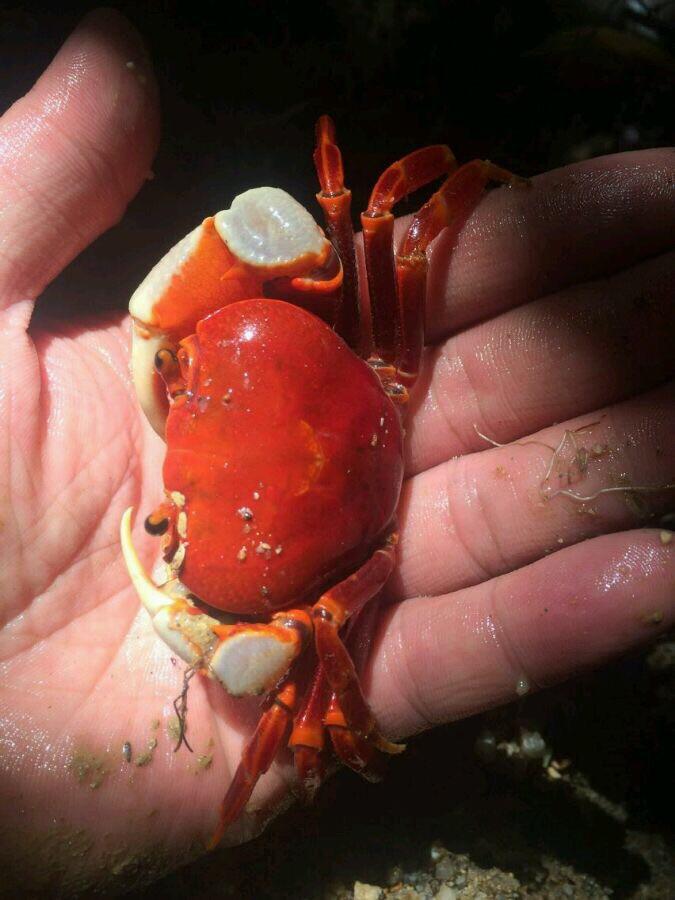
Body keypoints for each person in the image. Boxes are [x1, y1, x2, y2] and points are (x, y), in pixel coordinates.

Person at [0, 9, 672, 895]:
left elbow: (280, 222)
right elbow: (283, 222)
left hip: (363, 472)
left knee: (383, 211)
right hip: (376, 401)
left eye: (182, 372)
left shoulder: (309, 603)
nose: (171, 478)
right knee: (385, 218)